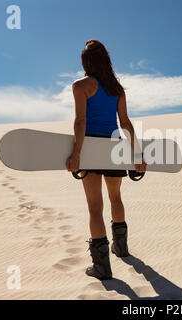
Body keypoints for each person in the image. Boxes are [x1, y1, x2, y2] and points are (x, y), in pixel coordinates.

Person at [66, 39, 146, 280]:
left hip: (91, 147)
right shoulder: (116, 89)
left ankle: (102, 266)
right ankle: (121, 248)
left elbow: (81, 121)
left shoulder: (81, 86)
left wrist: (77, 153)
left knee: (94, 206)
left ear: (86, 63)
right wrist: (137, 154)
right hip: (114, 149)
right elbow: (126, 123)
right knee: (115, 197)